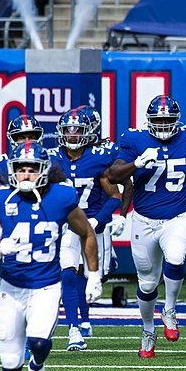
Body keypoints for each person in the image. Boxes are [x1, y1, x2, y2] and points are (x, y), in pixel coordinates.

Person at [0, 141, 100, 371]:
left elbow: (86, 232)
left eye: (32, 168)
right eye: (20, 168)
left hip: (46, 285)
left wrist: (94, 274)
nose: (26, 174)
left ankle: (37, 366)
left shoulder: (61, 197)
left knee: (38, 342)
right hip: (11, 289)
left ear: (44, 170)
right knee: (9, 364)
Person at [107, 95, 186, 356]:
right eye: (157, 120)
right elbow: (113, 175)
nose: (162, 125)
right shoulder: (134, 139)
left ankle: (170, 309)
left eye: (167, 120)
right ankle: (148, 329)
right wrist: (136, 164)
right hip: (144, 219)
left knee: (176, 258)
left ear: (176, 120)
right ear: (149, 121)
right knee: (147, 284)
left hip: (177, 216)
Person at [51, 108, 121, 352]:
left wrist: (98, 220)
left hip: (93, 225)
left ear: (88, 132)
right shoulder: (52, 159)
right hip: (67, 226)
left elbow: (115, 196)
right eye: (68, 131)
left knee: (93, 278)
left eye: (77, 130)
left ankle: (85, 319)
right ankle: (74, 329)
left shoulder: (99, 157)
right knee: (68, 272)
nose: (72, 135)